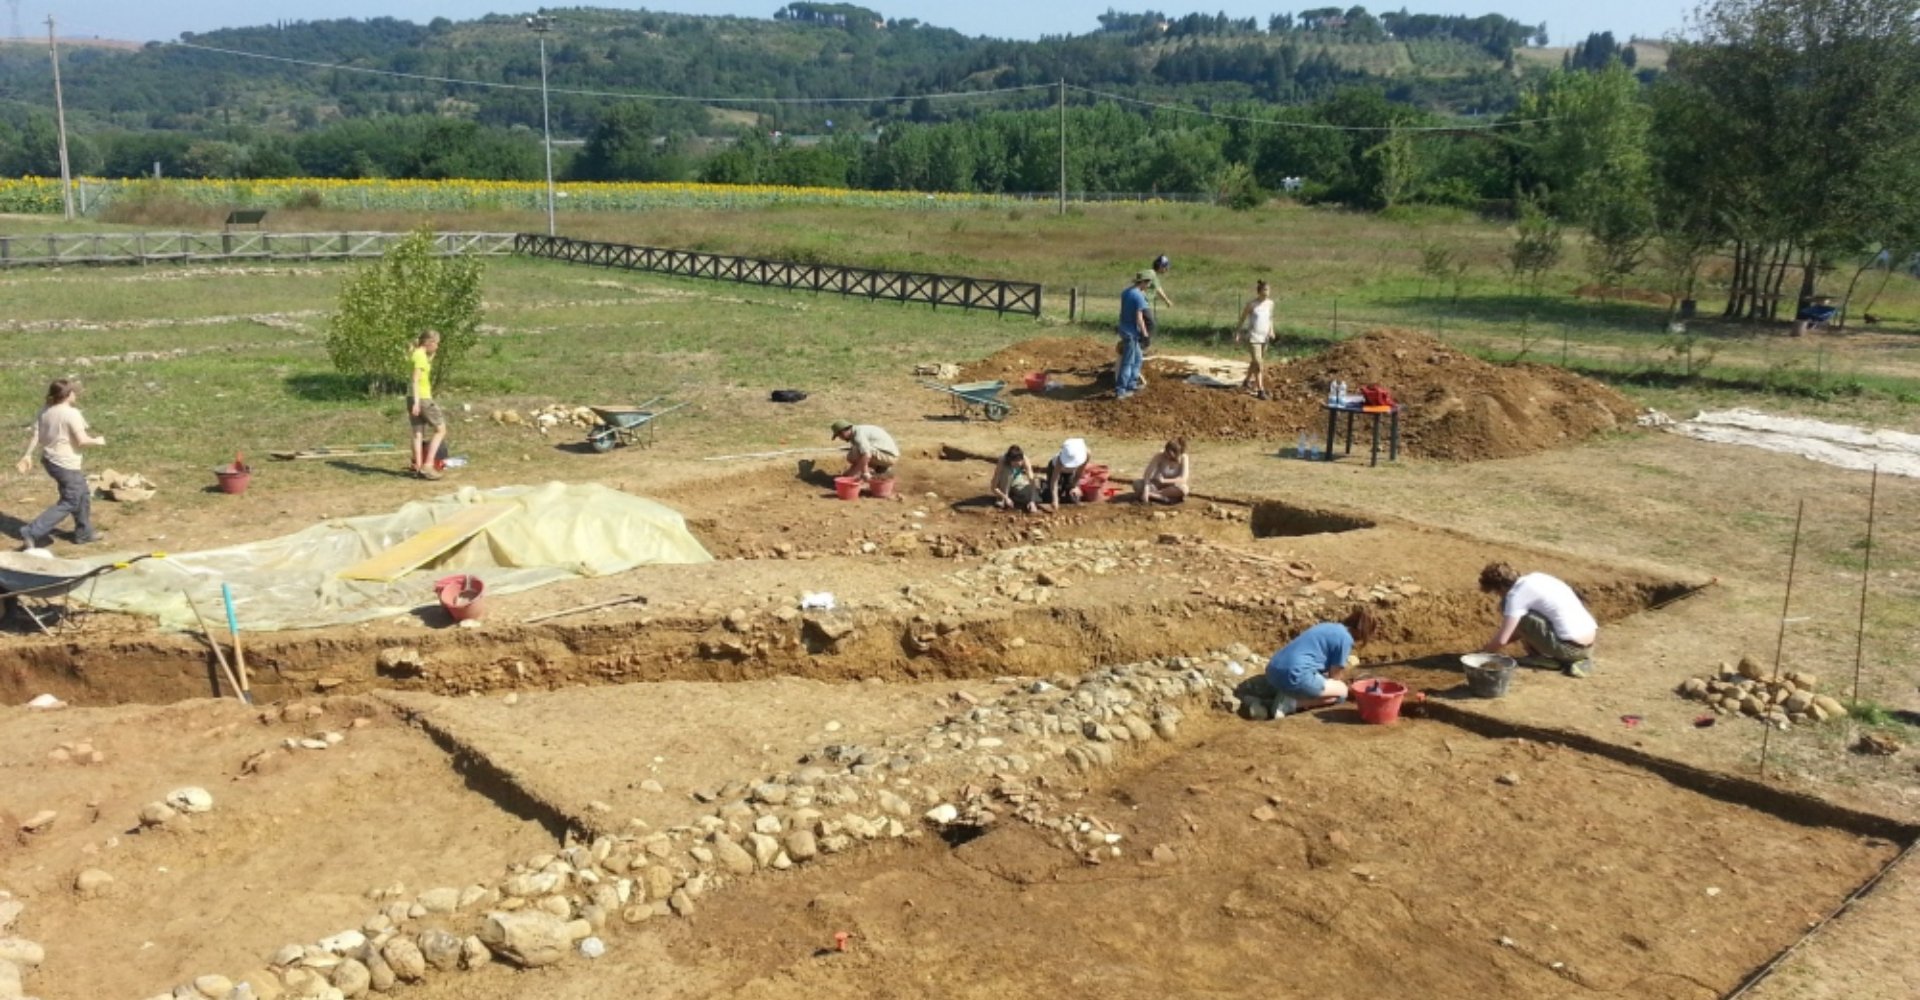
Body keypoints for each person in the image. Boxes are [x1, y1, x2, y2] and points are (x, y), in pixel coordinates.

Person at [16, 378, 106, 550]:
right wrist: (98, 441)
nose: (76, 394)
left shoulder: (45, 410)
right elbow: (81, 441)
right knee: (71, 499)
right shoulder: (71, 414)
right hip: (65, 464)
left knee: (82, 494)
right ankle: (32, 531)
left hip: (51, 461)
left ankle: (84, 532)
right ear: (67, 395)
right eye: (74, 391)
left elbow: (36, 435)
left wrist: (27, 455)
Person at [1478, 561, 1598, 677]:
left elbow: (1502, 640)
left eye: (1496, 592)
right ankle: (1567, 659)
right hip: (1588, 646)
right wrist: (1491, 647)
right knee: (1524, 614)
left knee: (1508, 606)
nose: (1499, 595)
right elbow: (1521, 631)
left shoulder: (1515, 596)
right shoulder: (1537, 577)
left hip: (1569, 650)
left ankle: (1542, 657)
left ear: (1500, 588)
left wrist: (1482, 656)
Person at [1265, 606, 1378, 717]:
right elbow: (1335, 678)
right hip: (1294, 675)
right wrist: (1350, 688)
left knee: (1323, 682)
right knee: (1342, 693)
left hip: (1273, 670)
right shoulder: (1345, 639)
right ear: (1361, 632)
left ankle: (1285, 693)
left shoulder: (1328, 626)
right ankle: (1290, 703)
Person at [408, 330, 447, 481]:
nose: (437, 347)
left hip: (411, 396)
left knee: (418, 433)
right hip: (422, 398)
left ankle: (418, 466)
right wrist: (418, 403)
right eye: (436, 344)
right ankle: (428, 465)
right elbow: (415, 379)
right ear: (429, 342)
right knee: (441, 430)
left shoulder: (417, 354)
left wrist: (431, 356)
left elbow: (423, 369)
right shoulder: (419, 357)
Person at [1115, 271, 1153, 399]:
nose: (1148, 285)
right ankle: (1121, 390)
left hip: (1124, 328)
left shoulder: (1126, 292)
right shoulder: (1138, 296)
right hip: (1131, 333)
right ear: (1142, 282)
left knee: (1137, 358)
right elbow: (1139, 318)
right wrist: (1146, 334)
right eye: (1147, 282)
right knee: (1128, 362)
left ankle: (1132, 384)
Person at [1236, 280, 1275, 399]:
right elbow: (1242, 319)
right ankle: (1260, 390)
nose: (1267, 292)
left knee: (1255, 362)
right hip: (1253, 337)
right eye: (1265, 290)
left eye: (1268, 290)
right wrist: (1237, 332)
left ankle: (1246, 381)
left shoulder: (1270, 304)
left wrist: (1272, 330)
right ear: (1259, 291)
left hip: (1265, 338)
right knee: (1259, 363)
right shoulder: (1252, 304)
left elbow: (1270, 318)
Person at [831, 420, 898, 481]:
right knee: (852, 455)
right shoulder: (856, 432)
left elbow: (866, 454)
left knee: (857, 452)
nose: (840, 438)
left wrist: (860, 472)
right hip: (884, 454)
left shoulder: (858, 435)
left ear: (843, 432)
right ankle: (880, 469)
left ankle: (866, 475)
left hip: (889, 456)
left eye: (839, 436)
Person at [1135, 437, 1189, 504]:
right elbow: (1147, 474)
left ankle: (1153, 495)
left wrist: (1164, 481)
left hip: (1172, 487)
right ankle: (1162, 498)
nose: (1168, 457)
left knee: (1184, 489)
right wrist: (1146, 488)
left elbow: (1183, 479)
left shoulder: (1184, 458)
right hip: (1157, 485)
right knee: (1137, 484)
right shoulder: (1160, 455)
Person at [1041, 437, 1090, 511]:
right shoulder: (1059, 460)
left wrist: (1074, 486)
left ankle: (1065, 487)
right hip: (1055, 471)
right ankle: (1044, 484)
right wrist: (1055, 500)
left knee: (1073, 498)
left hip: (1070, 472)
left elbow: (1079, 472)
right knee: (1049, 498)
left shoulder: (1087, 455)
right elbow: (1054, 481)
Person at [990, 445, 1038, 513]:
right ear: (1010, 461)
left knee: (1037, 498)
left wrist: (1032, 501)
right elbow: (993, 487)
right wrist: (1005, 497)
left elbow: (1032, 480)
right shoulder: (1002, 461)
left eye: (1019, 463)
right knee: (1008, 472)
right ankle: (1001, 498)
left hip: (1017, 479)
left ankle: (1012, 496)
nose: (1018, 465)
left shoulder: (1025, 460)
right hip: (1004, 479)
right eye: (1015, 464)